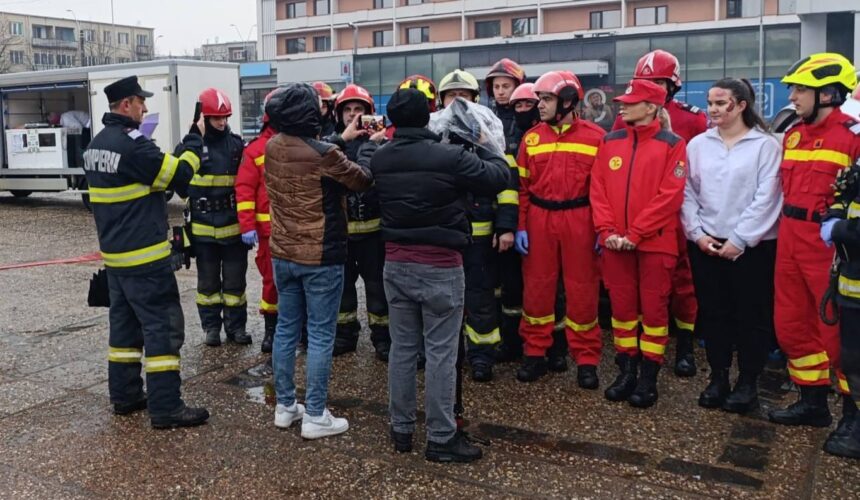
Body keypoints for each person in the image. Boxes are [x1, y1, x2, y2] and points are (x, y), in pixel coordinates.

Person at [371, 88, 508, 462]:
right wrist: (482, 142)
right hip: (440, 268)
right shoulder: (449, 157)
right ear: (429, 114)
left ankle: (401, 431)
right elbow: (498, 176)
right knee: (441, 354)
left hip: (395, 264)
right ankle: (441, 438)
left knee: (402, 351)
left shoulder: (381, 159)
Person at [83, 75, 209, 428]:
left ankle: (125, 397)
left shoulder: (96, 145)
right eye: (141, 102)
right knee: (162, 329)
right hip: (146, 260)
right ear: (127, 105)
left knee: (123, 334)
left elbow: (144, 181)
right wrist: (194, 141)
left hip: (116, 260)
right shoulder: (135, 145)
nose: (145, 108)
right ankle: (167, 408)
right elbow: (181, 176)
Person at [264, 82, 373, 439]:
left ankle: (285, 406)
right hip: (321, 257)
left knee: (286, 329)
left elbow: (313, 153)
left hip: (284, 254)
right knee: (321, 334)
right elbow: (360, 180)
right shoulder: (323, 155)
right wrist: (368, 146)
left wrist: (342, 137)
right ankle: (315, 415)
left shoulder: (273, 147)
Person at [768, 53, 860, 429]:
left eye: (800, 89)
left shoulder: (852, 137)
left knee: (835, 332)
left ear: (828, 94)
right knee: (790, 324)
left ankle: (851, 415)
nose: (792, 96)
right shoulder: (791, 134)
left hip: (827, 246)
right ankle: (812, 402)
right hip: (789, 238)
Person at [682, 78, 782, 413]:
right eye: (710, 102)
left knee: (751, 316)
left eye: (721, 102)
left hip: (752, 247)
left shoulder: (765, 146)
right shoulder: (698, 145)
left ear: (741, 105)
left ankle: (748, 382)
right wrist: (697, 234)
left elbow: (767, 196)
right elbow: (688, 193)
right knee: (714, 314)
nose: (712, 109)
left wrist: (739, 239)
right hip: (708, 244)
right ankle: (719, 376)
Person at [591, 79, 687, 408]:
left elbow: (670, 196)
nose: (622, 105)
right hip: (616, 244)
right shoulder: (610, 141)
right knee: (621, 312)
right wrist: (607, 231)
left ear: (651, 107)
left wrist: (635, 234)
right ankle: (626, 371)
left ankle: (648, 379)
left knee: (655, 313)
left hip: (654, 244)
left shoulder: (672, 144)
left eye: (631, 102)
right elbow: (598, 189)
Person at [614, 49, 706, 378]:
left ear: (672, 86)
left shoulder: (694, 120)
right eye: (646, 81)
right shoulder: (623, 118)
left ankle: (684, 346)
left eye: (658, 82)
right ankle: (634, 354)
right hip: (634, 215)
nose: (652, 87)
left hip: (677, 216)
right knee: (634, 289)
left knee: (684, 282)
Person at [514, 70, 605, 387]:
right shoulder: (532, 138)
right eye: (539, 98)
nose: (539, 105)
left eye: (546, 99)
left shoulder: (595, 137)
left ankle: (586, 359)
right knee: (537, 289)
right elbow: (523, 188)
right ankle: (535, 353)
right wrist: (521, 226)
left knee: (583, 290)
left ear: (567, 101)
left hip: (581, 218)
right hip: (540, 219)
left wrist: (601, 228)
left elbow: (602, 190)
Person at [437, 69, 507, 382]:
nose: (457, 103)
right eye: (451, 97)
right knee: (444, 302)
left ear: (476, 101)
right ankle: (450, 356)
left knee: (480, 298)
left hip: (480, 235)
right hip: (445, 237)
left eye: (463, 96)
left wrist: (504, 226)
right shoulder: (435, 135)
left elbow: (505, 182)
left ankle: (482, 357)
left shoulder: (491, 136)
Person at [177, 88, 249, 348]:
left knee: (235, 284)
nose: (222, 123)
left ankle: (236, 328)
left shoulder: (237, 145)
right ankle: (211, 329)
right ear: (203, 118)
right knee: (207, 285)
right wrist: (191, 142)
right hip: (203, 230)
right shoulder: (189, 147)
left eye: (226, 117)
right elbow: (180, 185)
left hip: (233, 229)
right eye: (217, 118)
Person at [328, 84, 390, 360]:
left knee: (378, 288)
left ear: (370, 114)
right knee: (342, 290)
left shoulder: (382, 145)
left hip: (374, 233)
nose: (353, 116)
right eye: (348, 110)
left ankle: (383, 339)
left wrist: (378, 143)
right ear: (339, 114)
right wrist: (341, 138)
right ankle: (345, 336)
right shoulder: (331, 145)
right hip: (341, 234)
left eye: (359, 110)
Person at [485, 59, 530, 367]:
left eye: (506, 86)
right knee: (496, 284)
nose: (501, 92)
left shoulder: (525, 121)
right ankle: (504, 339)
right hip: (489, 212)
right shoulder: (485, 119)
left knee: (518, 283)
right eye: (497, 87)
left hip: (516, 213)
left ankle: (519, 341)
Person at [236, 87, 283, 353]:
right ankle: (271, 331)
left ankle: (297, 328)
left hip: (295, 230)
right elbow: (244, 190)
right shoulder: (255, 150)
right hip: (269, 233)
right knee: (272, 283)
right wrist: (247, 226)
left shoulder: (299, 142)